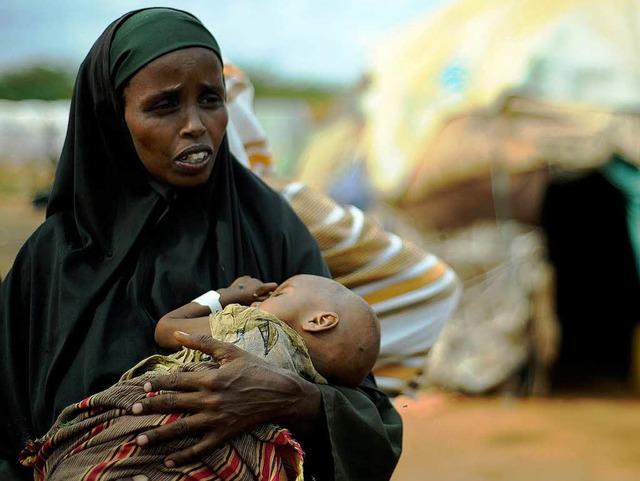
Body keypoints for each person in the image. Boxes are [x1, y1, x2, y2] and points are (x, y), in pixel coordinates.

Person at [0, 7, 401, 481]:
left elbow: (370, 417)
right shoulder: (54, 260)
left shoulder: (269, 228)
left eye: (211, 99)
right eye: (164, 105)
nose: (195, 124)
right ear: (112, 117)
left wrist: (291, 399)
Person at [20, 274, 381, 480]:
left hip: (155, 422)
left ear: (320, 321)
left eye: (280, 293)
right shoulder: (312, 377)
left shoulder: (250, 322)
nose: (263, 299)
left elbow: (167, 328)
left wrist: (223, 296)